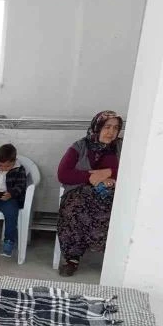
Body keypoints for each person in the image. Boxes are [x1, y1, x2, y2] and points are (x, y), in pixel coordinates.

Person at [56, 110, 122, 276]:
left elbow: (132, 170)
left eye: (115, 128)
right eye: (107, 127)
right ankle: (72, 258)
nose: (111, 132)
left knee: (114, 209)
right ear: (97, 127)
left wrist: (109, 173)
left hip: (111, 194)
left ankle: (113, 257)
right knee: (75, 208)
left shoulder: (121, 148)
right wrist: (90, 177)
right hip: (79, 192)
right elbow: (63, 174)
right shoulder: (79, 146)